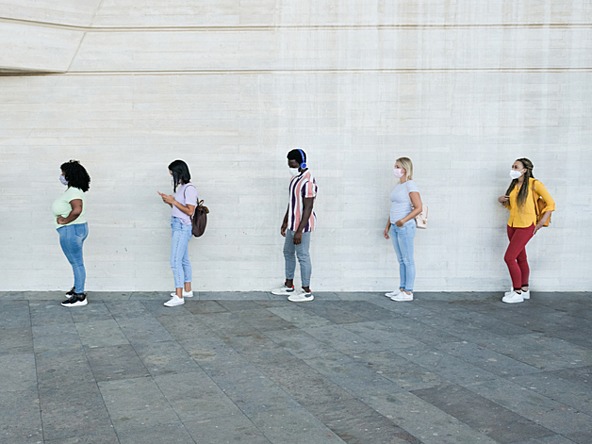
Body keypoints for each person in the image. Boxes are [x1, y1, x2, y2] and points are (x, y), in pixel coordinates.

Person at [498, 158, 555, 303]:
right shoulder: (514, 185)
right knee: (520, 258)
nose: (513, 169)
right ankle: (524, 290)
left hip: (526, 226)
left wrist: (541, 222)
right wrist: (503, 201)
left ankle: (516, 292)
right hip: (512, 224)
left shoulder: (534, 184)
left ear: (524, 170)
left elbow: (551, 203)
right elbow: (514, 207)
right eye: (512, 166)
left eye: (516, 167)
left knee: (509, 258)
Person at [271, 148, 318, 302]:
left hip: (301, 227)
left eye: (292, 164)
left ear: (301, 163)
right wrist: (285, 221)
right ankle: (289, 285)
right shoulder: (294, 179)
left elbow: (308, 207)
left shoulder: (308, 181)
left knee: (303, 256)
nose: (290, 167)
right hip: (292, 224)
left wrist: (299, 231)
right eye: (289, 164)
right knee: (287, 252)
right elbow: (292, 202)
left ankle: (306, 290)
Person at [158, 159, 198, 307]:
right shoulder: (181, 187)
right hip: (177, 225)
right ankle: (187, 290)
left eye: (172, 173)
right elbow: (179, 209)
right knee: (183, 259)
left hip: (182, 227)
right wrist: (169, 201)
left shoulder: (190, 188)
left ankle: (179, 296)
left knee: (175, 261)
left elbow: (189, 211)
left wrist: (174, 202)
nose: (171, 176)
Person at [52, 160, 91, 307]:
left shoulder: (74, 191)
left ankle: (79, 295)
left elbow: (77, 209)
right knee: (76, 262)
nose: (61, 176)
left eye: (63, 173)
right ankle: (77, 287)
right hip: (75, 229)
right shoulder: (74, 190)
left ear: (69, 175)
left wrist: (65, 220)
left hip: (71, 230)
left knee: (77, 263)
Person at [383, 157, 423, 302]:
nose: (395, 169)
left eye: (397, 166)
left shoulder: (410, 185)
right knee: (401, 260)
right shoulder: (398, 185)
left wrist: (403, 220)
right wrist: (388, 225)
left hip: (405, 227)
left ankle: (408, 291)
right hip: (395, 226)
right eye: (395, 166)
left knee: (408, 260)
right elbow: (394, 207)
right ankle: (401, 287)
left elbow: (419, 207)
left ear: (405, 169)